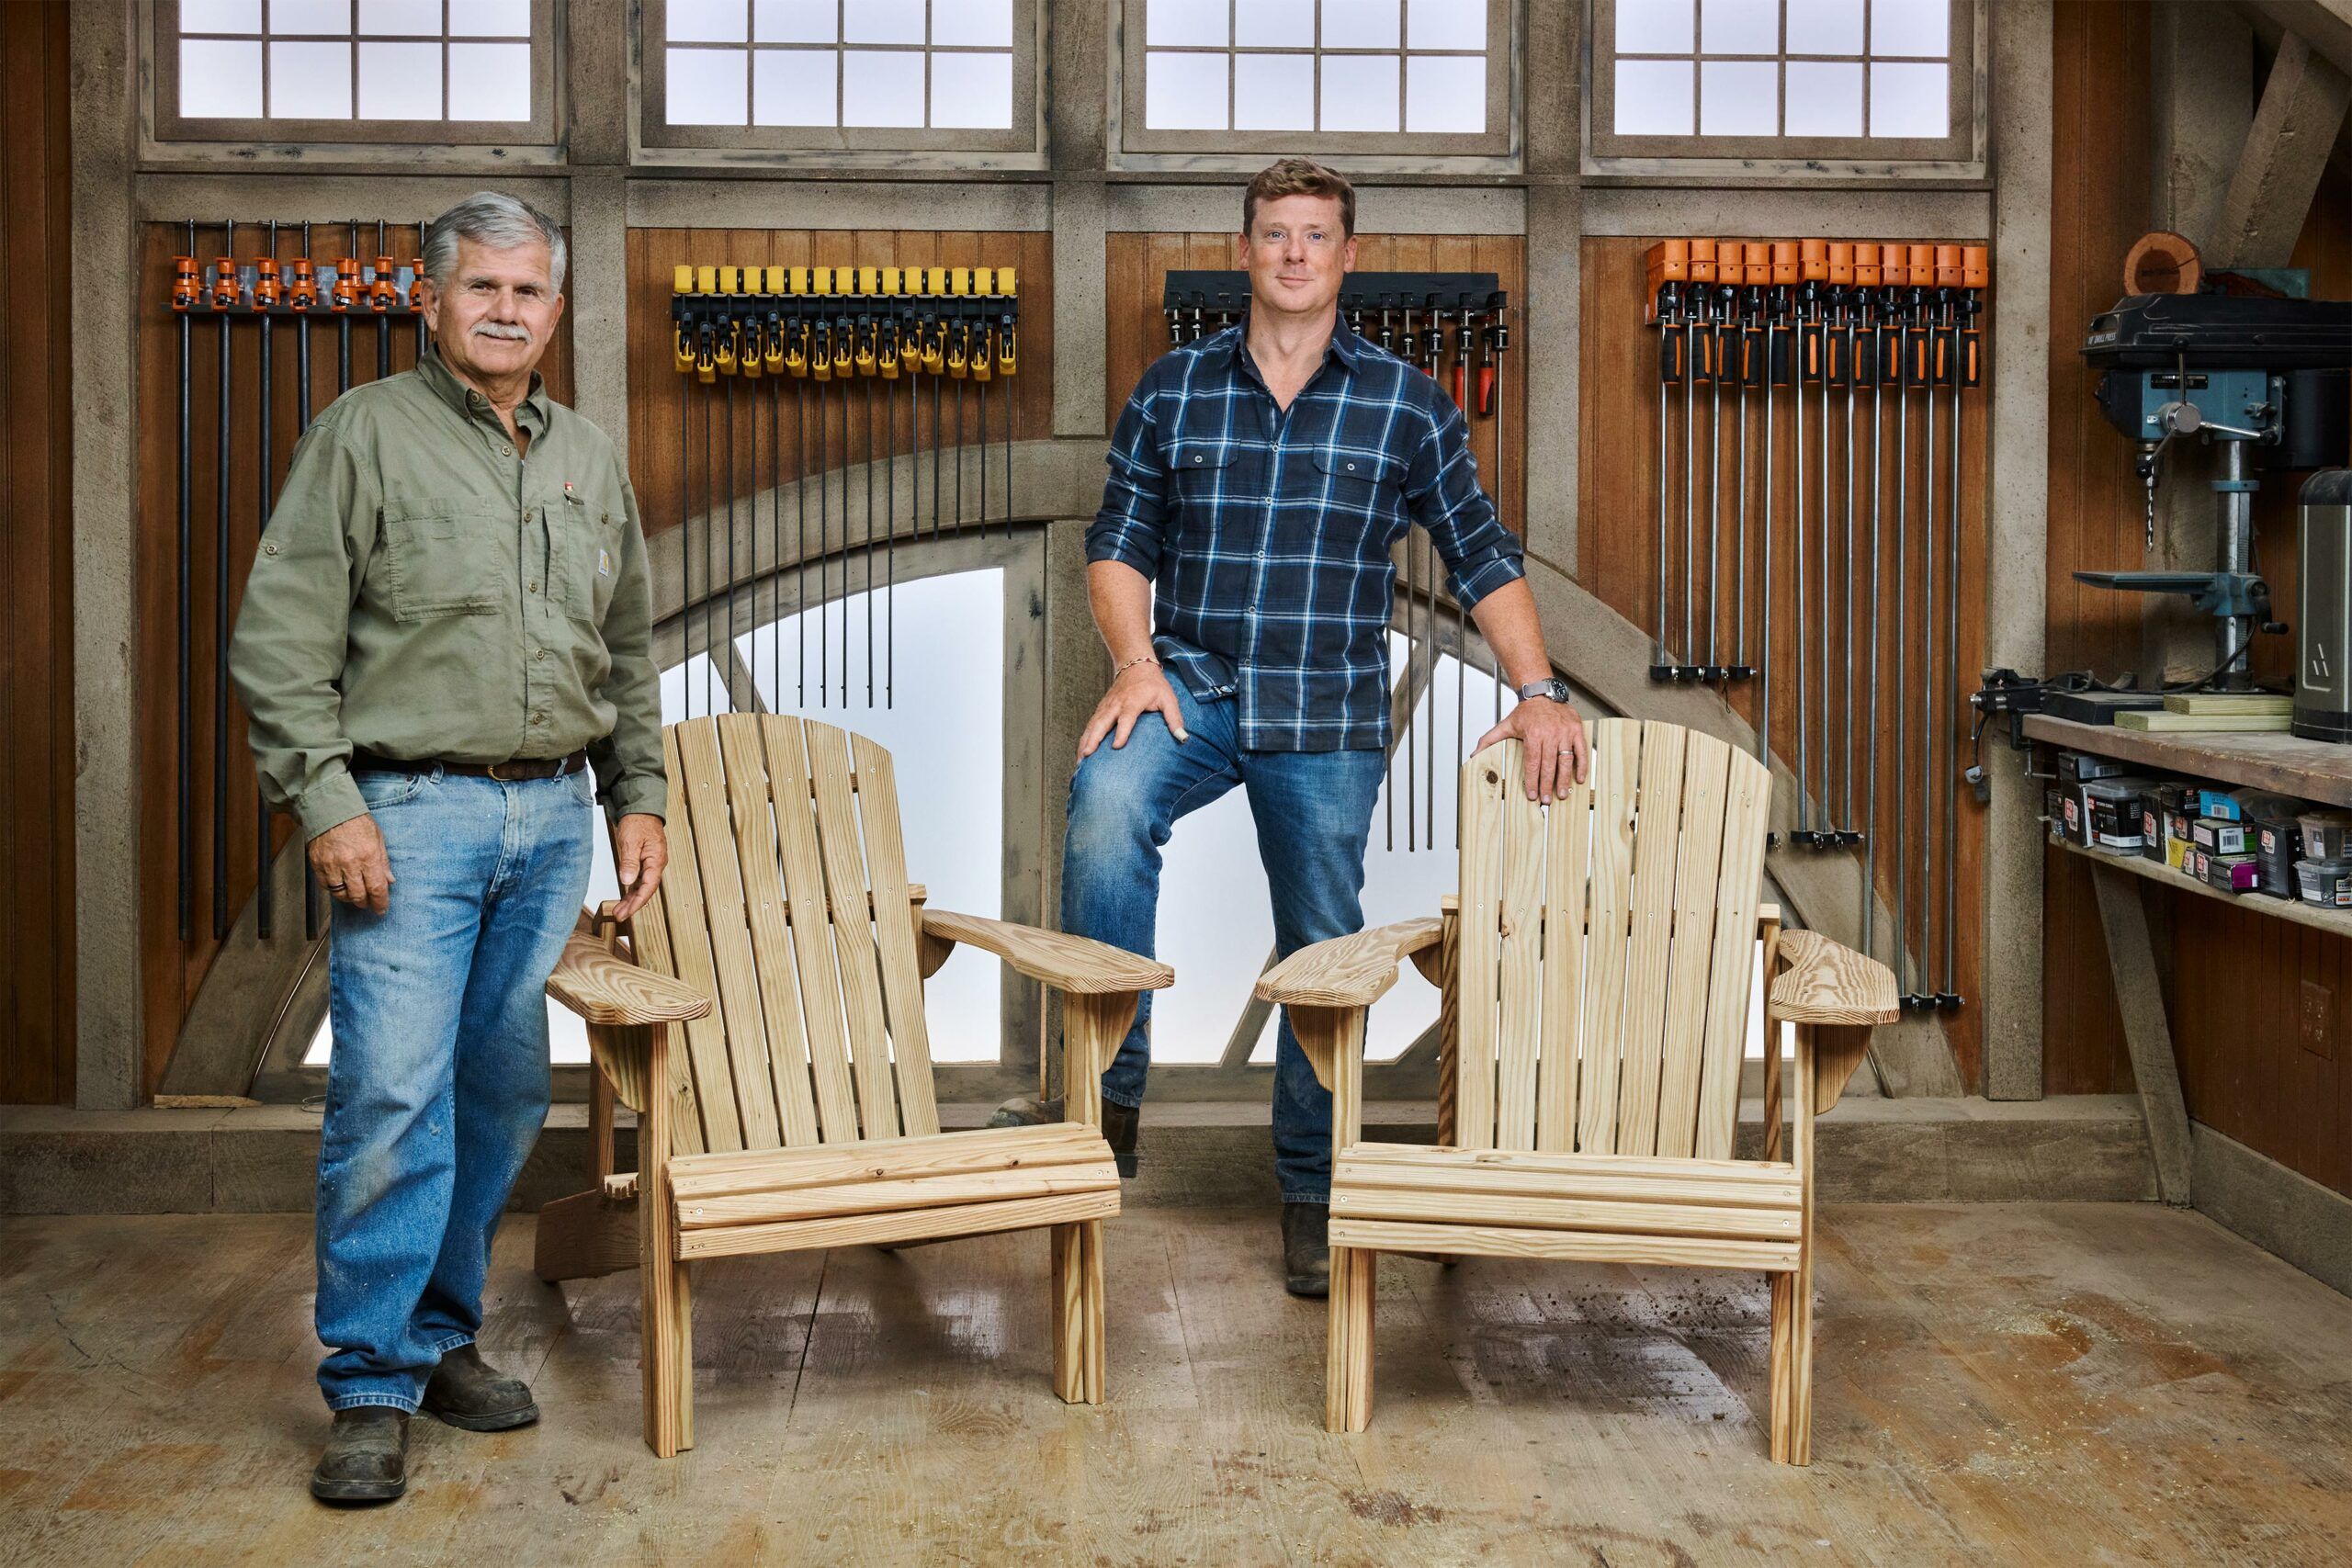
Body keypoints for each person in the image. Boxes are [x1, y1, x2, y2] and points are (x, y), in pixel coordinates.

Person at [995, 159, 1590, 1297]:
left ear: (1346, 255)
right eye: (1276, 234)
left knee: (1322, 940)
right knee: (1107, 801)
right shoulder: (1172, 390)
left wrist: (1537, 688)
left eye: (1316, 236)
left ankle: (1312, 1192)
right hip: (1195, 687)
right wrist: (1133, 664)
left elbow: (1482, 555)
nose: (1295, 254)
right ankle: (1108, 1105)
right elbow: (1117, 544)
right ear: (1246, 248)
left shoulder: (1408, 404)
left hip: (1326, 709)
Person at [229, 192, 669, 1505]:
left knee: (499, 1096)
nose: (506, 310)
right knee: (389, 1096)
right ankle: (368, 1382)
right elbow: (281, 642)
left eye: (529, 291)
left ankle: (437, 1335)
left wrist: (634, 794)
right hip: (407, 814)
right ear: (431, 300)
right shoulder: (362, 437)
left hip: (548, 822)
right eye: (482, 288)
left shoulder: (589, 454)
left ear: (554, 308)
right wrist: (330, 803)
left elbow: (628, 648)